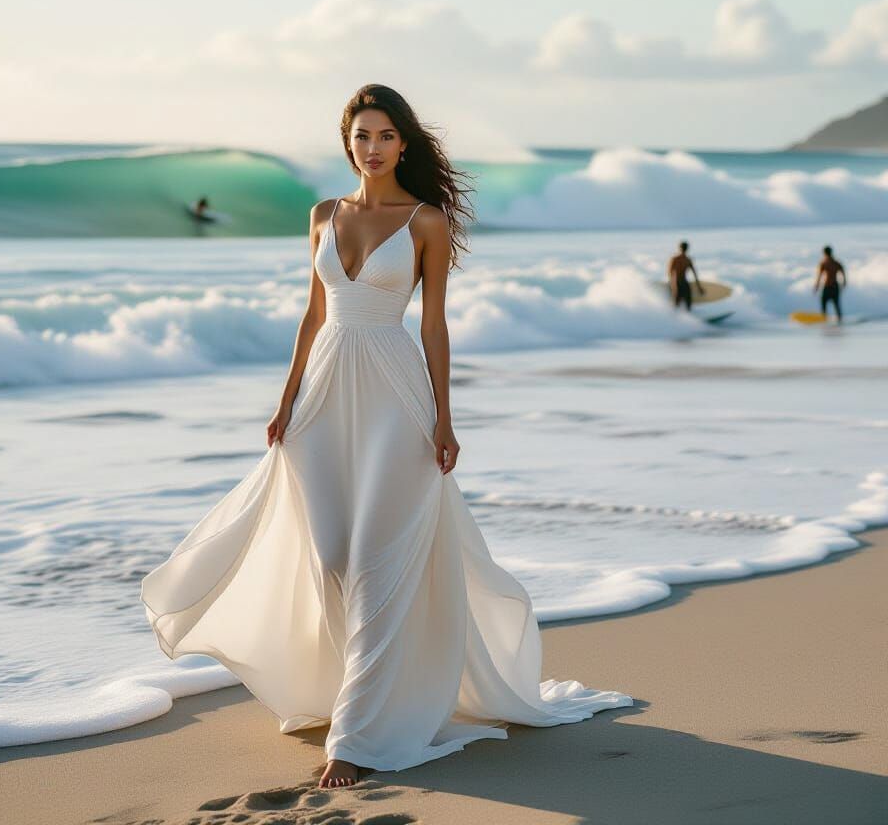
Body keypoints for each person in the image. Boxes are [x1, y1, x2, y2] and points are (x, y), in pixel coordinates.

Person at [140, 84, 631, 789]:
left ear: (404, 144)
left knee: (377, 560)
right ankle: (362, 688)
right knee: (332, 559)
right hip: (323, 395)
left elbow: (433, 325)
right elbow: (314, 315)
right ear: (348, 144)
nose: (373, 148)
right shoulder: (322, 215)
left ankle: (357, 735)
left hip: (395, 394)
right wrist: (286, 400)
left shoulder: (425, 221)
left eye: (386, 136)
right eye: (362, 136)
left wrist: (444, 416)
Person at [667, 240, 705, 310]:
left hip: (682, 282)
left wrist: (699, 287)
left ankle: (685, 314)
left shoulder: (686, 259)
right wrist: (672, 284)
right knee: (680, 300)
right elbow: (670, 272)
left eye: (684, 248)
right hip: (678, 282)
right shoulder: (677, 259)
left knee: (687, 300)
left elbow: (694, 273)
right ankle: (675, 314)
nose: (683, 250)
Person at [814, 245, 846, 322]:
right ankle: (840, 320)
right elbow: (843, 272)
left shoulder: (824, 263)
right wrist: (844, 282)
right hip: (835, 286)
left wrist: (816, 286)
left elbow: (819, 276)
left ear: (824, 253)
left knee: (824, 304)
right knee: (836, 305)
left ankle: (824, 319)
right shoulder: (836, 263)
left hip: (827, 286)